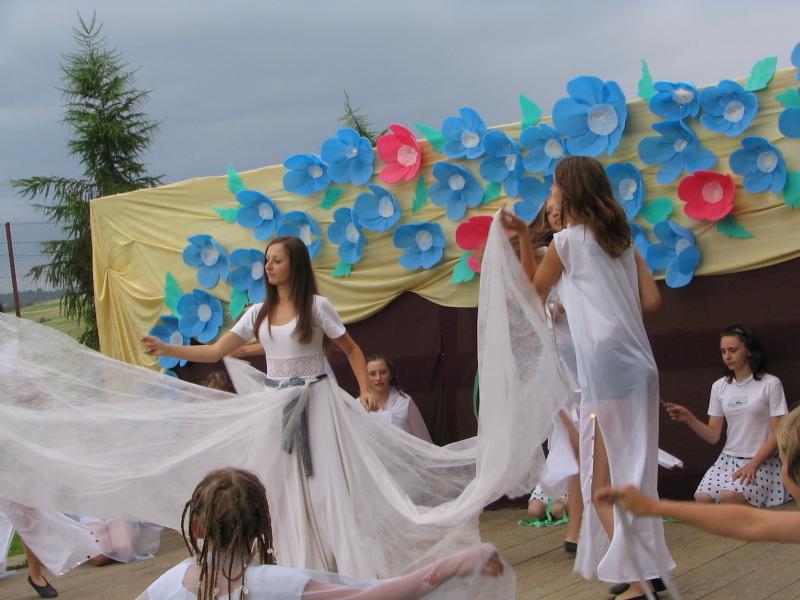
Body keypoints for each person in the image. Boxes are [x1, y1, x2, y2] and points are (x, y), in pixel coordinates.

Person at [501, 156, 674, 599]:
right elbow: (652, 300)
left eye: (554, 188)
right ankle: (647, 569)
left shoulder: (568, 243)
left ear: (569, 192)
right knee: (634, 475)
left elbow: (533, 290)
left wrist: (522, 237)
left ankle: (640, 581)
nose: (551, 196)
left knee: (601, 487)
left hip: (606, 371)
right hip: (640, 368)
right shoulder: (622, 242)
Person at [136, 467, 512, 600]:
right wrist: (455, 564)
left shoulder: (168, 584)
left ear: (197, 527)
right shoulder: (273, 584)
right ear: (264, 525)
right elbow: (375, 595)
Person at [596, 404, 800, 544]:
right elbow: (749, 522)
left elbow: (750, 523)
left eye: (781, 459)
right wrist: (653, 507)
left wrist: (653, 507)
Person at [517, 195, 583, 555]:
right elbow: (535, 292)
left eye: (560, 206)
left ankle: (580, 506)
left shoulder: (584, 248)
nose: (554, 212)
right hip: (559, 355)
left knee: (583, 426)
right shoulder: (548, 251)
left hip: (585, 352)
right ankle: (568, 509)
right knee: (567, 425)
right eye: (550, 209)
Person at [664, 325, 789, 507]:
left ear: (748, 351)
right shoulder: (719, 387)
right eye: (723, 351)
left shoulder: (770, 384)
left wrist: (753, 465)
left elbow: (779, 433)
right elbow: (713, 435)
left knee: (729, 497)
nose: (727, 356)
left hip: (762, 461)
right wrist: (688, 417)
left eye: (733, 350)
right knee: (702, 498)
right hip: (728, 459)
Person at [364, 354, 432, 442]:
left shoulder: (405, 401)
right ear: (365, 377)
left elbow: (422, 439)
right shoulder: (359, 404)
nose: (378, 378)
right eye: (372, 374)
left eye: (383, 372)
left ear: (390, 375)